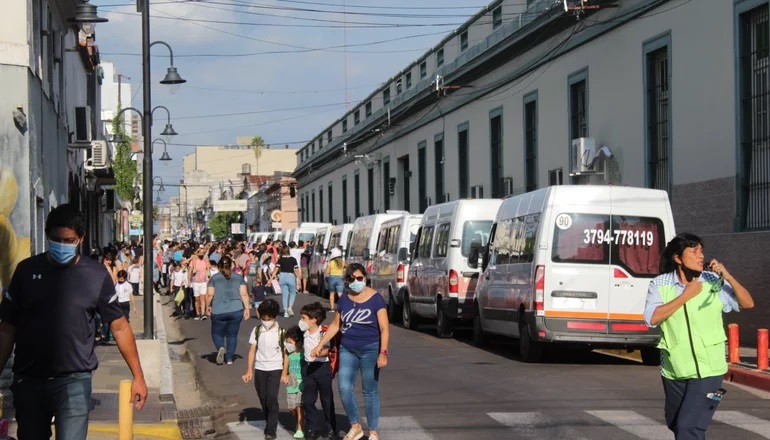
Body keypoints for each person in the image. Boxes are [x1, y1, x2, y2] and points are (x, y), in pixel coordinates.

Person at [0, 204, 147, 439]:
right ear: (47, 235)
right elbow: (7, 329)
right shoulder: (26, 271)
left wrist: (138, 376)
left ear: (81, 239)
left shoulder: (95, 275)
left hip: (74, 382)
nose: (62, 245)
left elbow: (119, 327)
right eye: (56, 239)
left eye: (68, 241)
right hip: (29, 380)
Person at [644, 233, 754, 440]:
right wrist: (686, 295)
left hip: (709, 371)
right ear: (678, 258)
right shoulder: (660, 284)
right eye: (694, 251)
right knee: (676, 423)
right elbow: (652, 318)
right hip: (674, 370)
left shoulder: (713, 282)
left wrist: (728, 277)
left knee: (689, 428)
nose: (700, 256)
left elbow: (747, 303)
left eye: (701, 251)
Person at [312, 264, 389, 440]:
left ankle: (373, 431)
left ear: (365, 277)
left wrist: (383, 352)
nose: (356, 281)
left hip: (371, 349)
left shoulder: (376, 299)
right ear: (347, 280)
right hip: (348, 348)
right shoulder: (345, 299)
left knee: (369, 391)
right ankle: (355, 426)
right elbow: (335, 325)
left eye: (359, 278)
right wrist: (320, 344)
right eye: (352, 279)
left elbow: (384, 328)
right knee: (344, 387)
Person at [242, 300, 286, 440]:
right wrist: (249, 370)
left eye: (269, 319)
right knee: (263, 397)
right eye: (264, 319)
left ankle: (271, 429)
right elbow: (252, 351)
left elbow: (286, 353)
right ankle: (269, 421)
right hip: (260, 368)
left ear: (275, 317)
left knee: (272, 397)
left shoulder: (281, 332)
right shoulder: (257, 330)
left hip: (276, 368)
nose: (266, 321)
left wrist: (285, 372)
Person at [300, 302, 337, 440]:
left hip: (322, 368)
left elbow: (327, 349)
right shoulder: (303, 332)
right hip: (308, 368)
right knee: (308, 401)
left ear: (314, 319)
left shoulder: (323, 332)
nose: (301, 321)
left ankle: (331, 427)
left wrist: (318, 352)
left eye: (304, 318)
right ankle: (312, 427)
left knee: (326, 400)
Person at [206, 256, 250, 365]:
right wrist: (247, 308)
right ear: (231, 265)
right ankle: (229, 358)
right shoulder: (238, 277)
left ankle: (220, 347)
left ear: (219, 266)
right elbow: (244, 294)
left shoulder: (214, 278)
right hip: (236, 309)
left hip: (218, 310)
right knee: (232, 335)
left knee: (217, 333)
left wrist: (208, 306)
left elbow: (210, 294)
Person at [282, 326, 306, 439]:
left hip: (302, 383)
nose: (288, 344)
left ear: (299, 342)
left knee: (299, 405)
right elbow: (285, 365)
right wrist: (284, 375)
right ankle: (299, 420)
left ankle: (300, 427)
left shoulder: (304, 352)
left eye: (290, 342)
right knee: (292, 408)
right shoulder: (288, 352)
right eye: (287, 342)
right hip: (291, 383)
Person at [273, 247, 301, 318]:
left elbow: (276, 269)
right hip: (291, 276)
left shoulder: (280, 259)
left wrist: (271, 278)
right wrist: (299, 279)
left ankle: (285, 312)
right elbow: (296, 270)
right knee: (292, 293)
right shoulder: (293, 259)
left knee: (284, 295)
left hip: (282, 276)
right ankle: (290, 307)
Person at [189, 247, 212, 320]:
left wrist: (209, 279)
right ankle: (197, 313)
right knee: (197, 298)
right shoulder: (193, 261)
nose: (201, 254)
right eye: (200, 252)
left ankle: (202, 313)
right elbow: (190, 270)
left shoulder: (205, 260)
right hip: (195, 281)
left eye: (203, 253)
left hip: (203, 281)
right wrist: (189, 281)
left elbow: (208, 269)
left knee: (203, 297)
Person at [324, 248, 346, 313]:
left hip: (332, 278)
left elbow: (327, 272)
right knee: (340, 294)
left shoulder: (331, 262)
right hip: (340, 278)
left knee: (332, 293)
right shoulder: (343, 262)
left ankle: (332, 308)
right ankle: (343, 308)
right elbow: (346, 267)